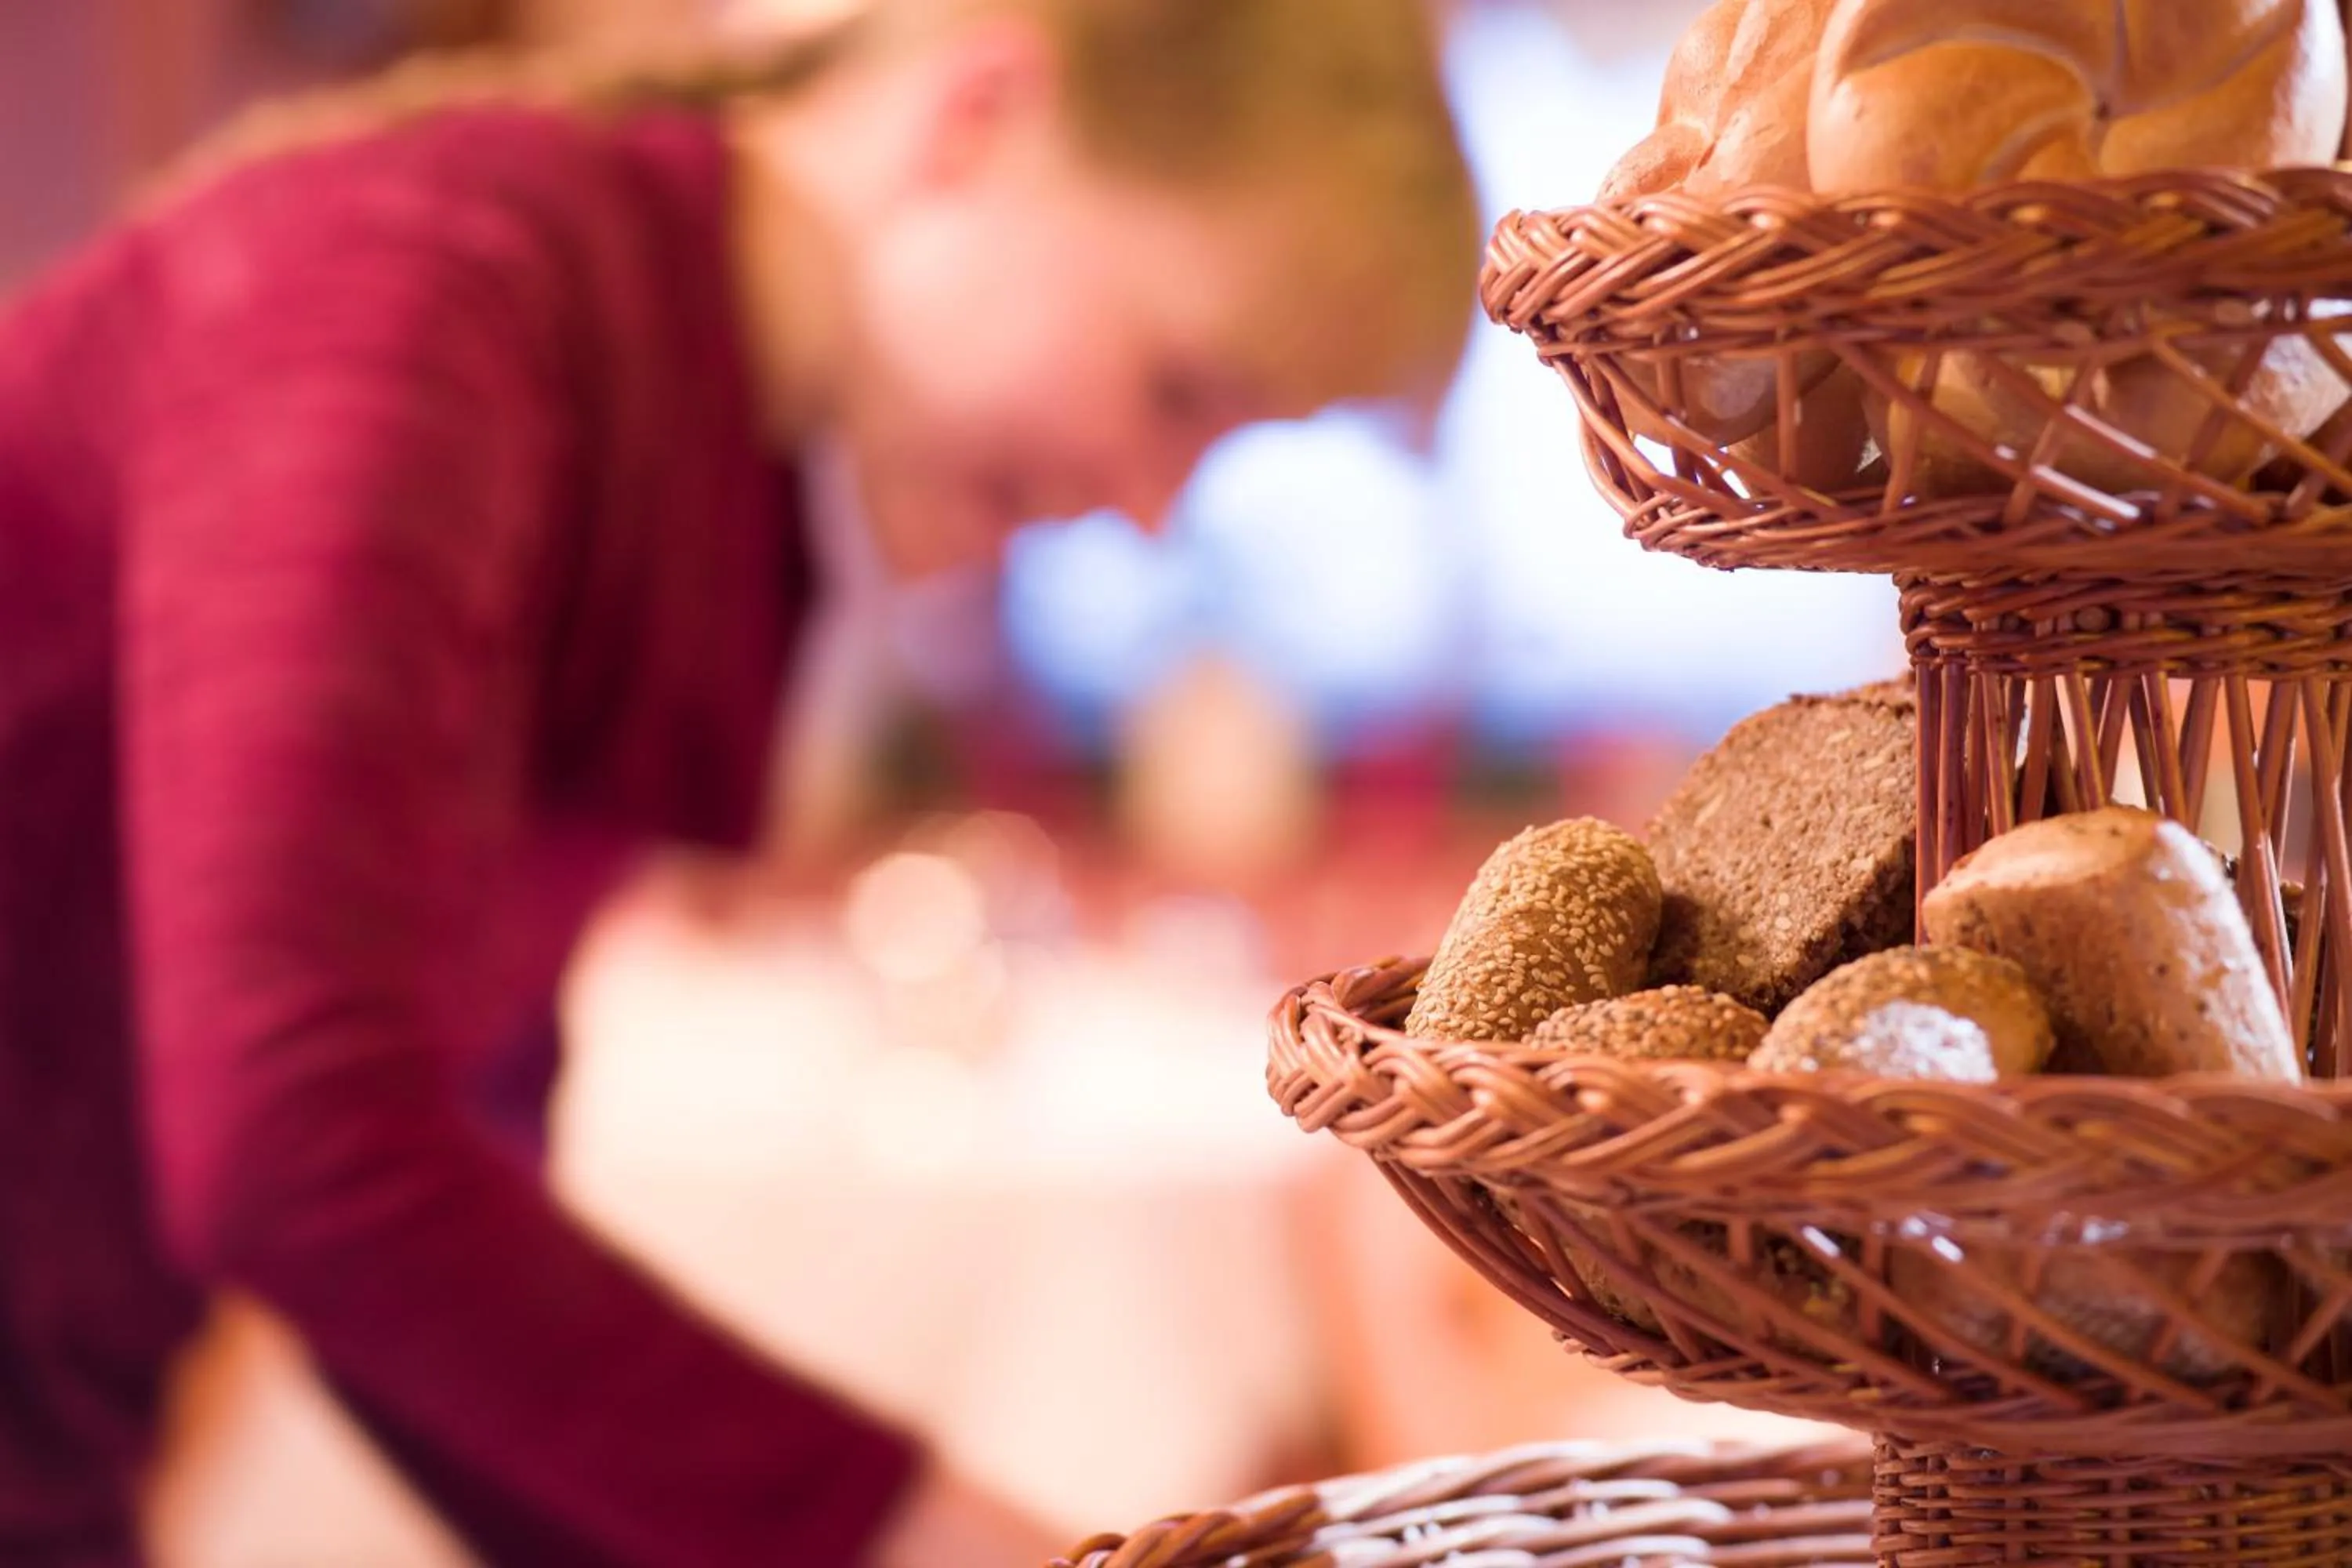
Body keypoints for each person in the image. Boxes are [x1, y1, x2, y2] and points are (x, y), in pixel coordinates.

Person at [0, 0, 1479, 1563]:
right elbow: (295, 1145)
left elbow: (438, 1234)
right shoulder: (424, 290)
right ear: (975, 118)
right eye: (1179, 389)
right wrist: (919, 1536)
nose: (1144, 510)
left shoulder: (657, 429)